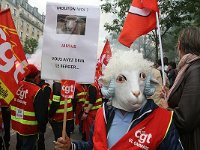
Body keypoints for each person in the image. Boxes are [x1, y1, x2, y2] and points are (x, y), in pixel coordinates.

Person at [55, 51, 183, 150]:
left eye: (142, 76)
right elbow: (92, 145)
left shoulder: (164, 121)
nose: (136, 90)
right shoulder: (102, 114)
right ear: (111, 85)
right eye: (121, 79)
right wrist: (71, 146)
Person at [160, 26, 200, 150]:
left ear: (180, 45)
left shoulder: (196, 69)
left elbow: (185, 119)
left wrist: (166, 109)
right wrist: (169, 94)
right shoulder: (189, 67)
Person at [10, 64, 45, 150]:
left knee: (19, 145)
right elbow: (40, 114)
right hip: (29, 128)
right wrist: (42, 129)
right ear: (35, 76)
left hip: (17, 123)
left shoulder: (17, 84)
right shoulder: (37, 90)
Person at [35, 72, 51, 150]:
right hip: (35, 117)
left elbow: (44, 106)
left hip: (42, 117)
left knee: (40, 138)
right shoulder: (35, 86)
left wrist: (44, 119)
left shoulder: (46, 88)